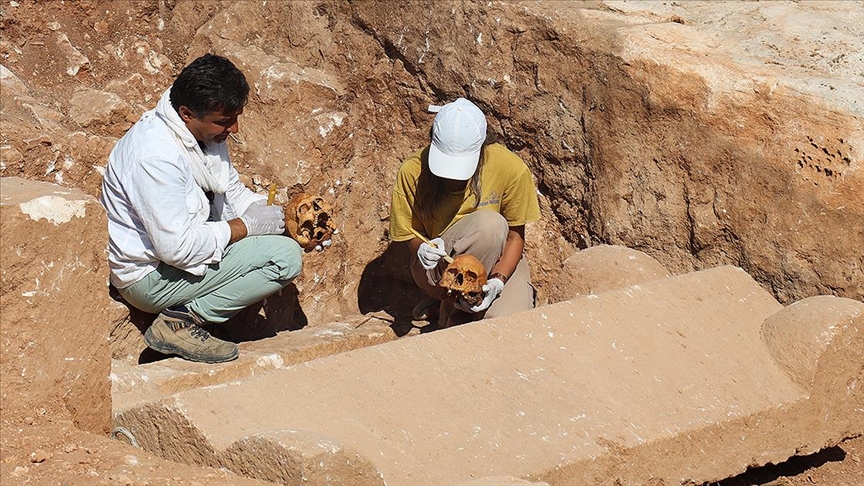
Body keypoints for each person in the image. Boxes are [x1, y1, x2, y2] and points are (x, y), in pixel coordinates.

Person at [100, 54, 303, 363]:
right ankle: (179, 322)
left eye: (236, 117)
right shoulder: (156, 157)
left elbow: (230, 191)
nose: (234, 129)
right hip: (149, 277)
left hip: (180, 256)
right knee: (284, 258)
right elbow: (177, 248)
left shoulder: (201, 131)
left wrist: (285, 219)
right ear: (187, 113)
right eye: (224, 121)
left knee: (283, 242)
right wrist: (246, 226)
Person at [389, 98, 541, 324]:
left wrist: (497, 281)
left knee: (510, 322)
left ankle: (460, 305)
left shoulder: (511, 169)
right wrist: (422, 248)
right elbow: (408, 234)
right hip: (441, 269)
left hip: (495, 260)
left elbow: (514, 238)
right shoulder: (412, 171)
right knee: (490, 225)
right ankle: (451, 306)